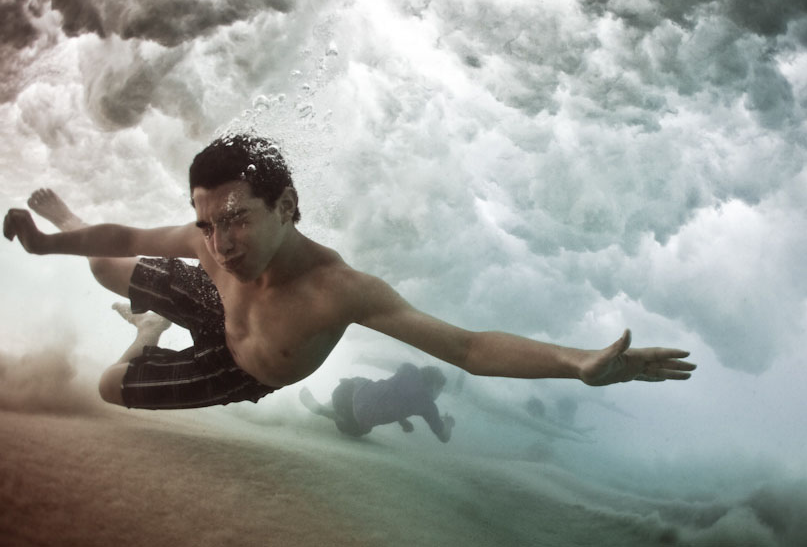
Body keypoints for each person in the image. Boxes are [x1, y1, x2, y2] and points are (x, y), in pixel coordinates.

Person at [3, 133, 696, 410]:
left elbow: (469, 349)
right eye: (207, 220)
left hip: (244, 369)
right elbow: (126, 232)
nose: (220, 239)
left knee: (106, 386)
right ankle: (66, 232)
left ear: (288, 206)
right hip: (216, 304)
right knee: (101, 260)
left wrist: (576, 363)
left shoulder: (340, 292)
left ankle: (145, 333)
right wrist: (44, 241)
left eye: (238, 218)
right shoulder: (209, 244)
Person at [299, 363, 454, 442]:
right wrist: (448, 423)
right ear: (434, 386)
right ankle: (325, 412)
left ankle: (321, 409)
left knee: (359, 397)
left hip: (345, 390)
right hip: (353, 420)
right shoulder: (427, 405)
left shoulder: (409, 371)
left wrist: (402, 420)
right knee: (359, 427)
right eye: (440, 390)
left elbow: (394, 395)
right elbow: (444, 437)